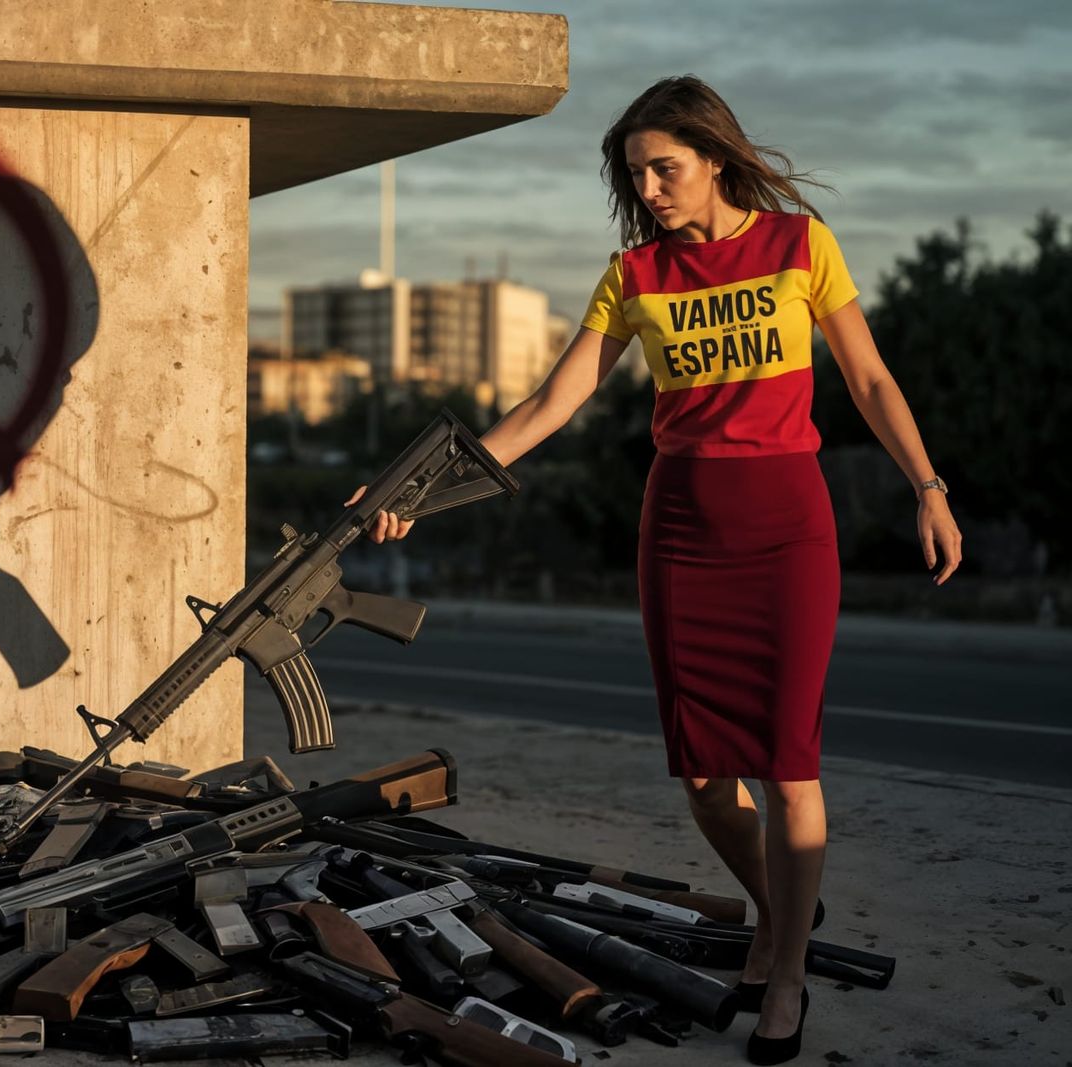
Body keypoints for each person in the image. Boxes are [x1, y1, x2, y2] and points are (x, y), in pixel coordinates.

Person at [358, 76, 962, 1065]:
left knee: (788, 761)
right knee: (703, 771)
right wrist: (418, 491)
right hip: (679, 530)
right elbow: (549, 406)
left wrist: (927, 486)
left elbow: (867, 376)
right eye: (635, 174)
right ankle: (779, 911)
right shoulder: (633, 275)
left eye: (663, 167)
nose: (648, 189)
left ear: (714, 157)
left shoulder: (798, 244)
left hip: (786, 526)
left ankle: (785, 973)